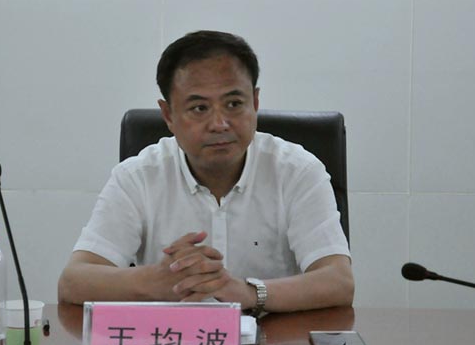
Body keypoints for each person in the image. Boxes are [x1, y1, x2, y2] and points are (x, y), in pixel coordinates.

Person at [58, 30, 353, 314]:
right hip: (172, 343)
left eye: (234, 104)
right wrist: (157, 280)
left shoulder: (298, 171)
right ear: (168, 115)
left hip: (274, 341)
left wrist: (249, 293)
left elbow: (338, 282)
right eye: (200, 108)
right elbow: (73, 282)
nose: (219, 124)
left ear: (255, 103)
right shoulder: (138, 176)